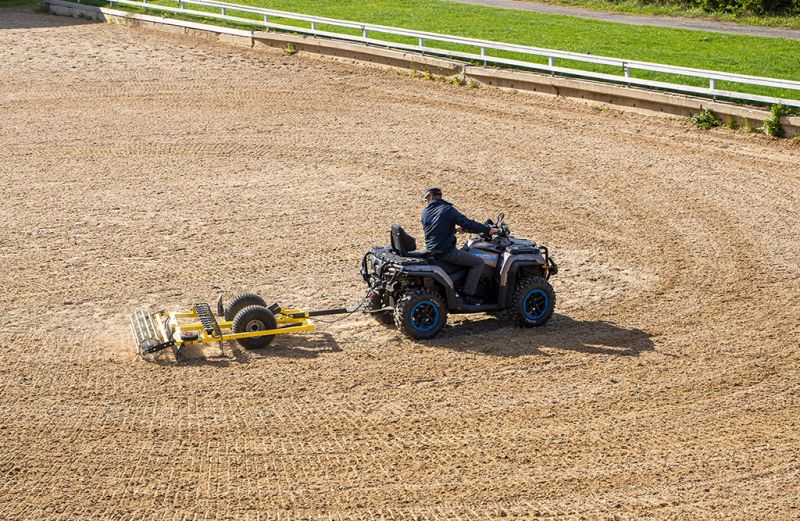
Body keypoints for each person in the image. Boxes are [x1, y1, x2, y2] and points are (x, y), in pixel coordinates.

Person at [421, 187, 498, 305]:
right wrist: (487, 229)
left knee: (466, 252)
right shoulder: (447, 210)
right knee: (478, 262)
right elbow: (468, 223)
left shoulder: (425, 212)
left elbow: (435, 230)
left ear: (431, 197)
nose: (427, 200)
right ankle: (468, 295)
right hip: (446, 251)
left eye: (427, 198)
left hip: (432, 249)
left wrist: (454, 230)